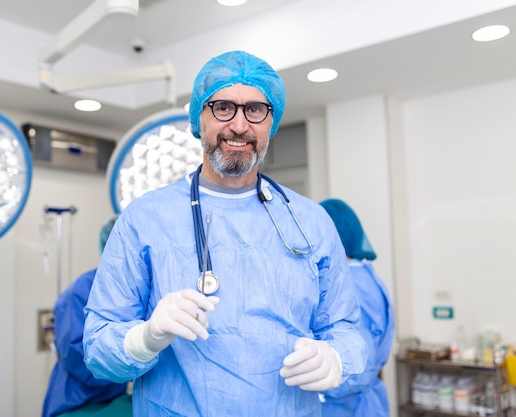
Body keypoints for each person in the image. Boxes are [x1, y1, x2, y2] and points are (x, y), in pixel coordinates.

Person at [83, 50, 367, 416]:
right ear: (199, 118)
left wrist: (338, 358)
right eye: (222, 107)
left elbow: (348, 332)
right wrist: (145, 338)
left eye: (255, 110)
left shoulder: (310, 221)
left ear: (271, 121)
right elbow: (97, 348)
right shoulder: (144, 220)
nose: (239, 125)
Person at [42, 216, 131, 417]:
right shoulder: (81, 291)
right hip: (77, 401)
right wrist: (132, 364)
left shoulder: (129, 290)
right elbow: (78, 356)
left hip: (113, 398)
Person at [318, 198, 395, 417]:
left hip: (348, 405)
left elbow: (357, 366)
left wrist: (315, 389)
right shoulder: (363, 274)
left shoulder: (350, 283)